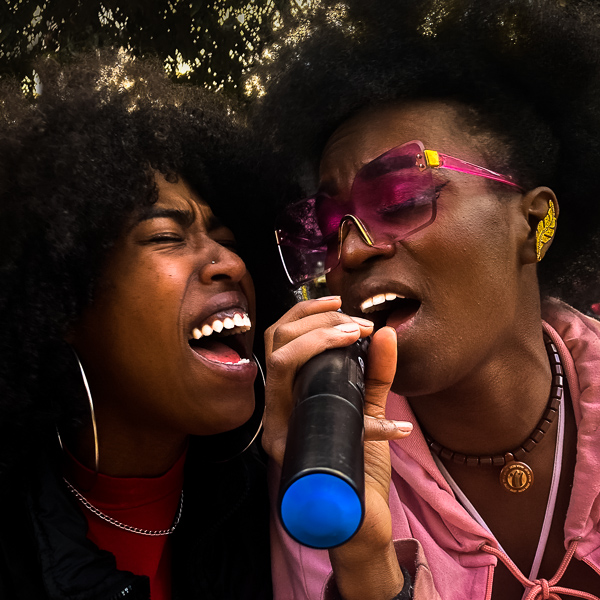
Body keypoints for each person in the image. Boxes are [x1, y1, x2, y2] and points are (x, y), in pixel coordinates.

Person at [252, 0, 600, 598]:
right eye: (327, 227)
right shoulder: (327, 463)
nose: (351, 254)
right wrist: (363, 560)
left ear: (531, 221)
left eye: (400, 199)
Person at [0, 50, 272, 600]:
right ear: (64, 302)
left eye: (229, 241)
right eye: (167, 237)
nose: (231, 264)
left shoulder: (276, 503)